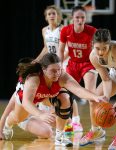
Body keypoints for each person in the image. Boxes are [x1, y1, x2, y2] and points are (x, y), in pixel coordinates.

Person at [1, 53, 105, 147]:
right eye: (53, 71)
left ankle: (59, 136)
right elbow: (26, 102)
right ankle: (8, 124)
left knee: (64, 98)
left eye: (59, 69)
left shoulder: (61, 76)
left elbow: (78, 89)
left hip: (43, 98)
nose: (57, 73)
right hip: (26, 102)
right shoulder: (34, 78)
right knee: (17, 118)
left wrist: (94, 96)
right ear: (44, 69)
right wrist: (40, 114)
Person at [34, 5, 82, 132]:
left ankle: (76, 121)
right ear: (46, 17)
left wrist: (59, 62)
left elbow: (68, 48)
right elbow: (46, 47)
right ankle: (65, 122)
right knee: (55, 94)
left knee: (66, 92)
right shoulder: (44, 30)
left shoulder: (63, 29)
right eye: (49, 14)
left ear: (58, 15)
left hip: (62, 63)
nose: (51, 16)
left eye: (54, 13)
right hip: (49, 64)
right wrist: (37, 60)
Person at [58, 5, 99, 138]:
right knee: (64, 95)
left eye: (82, 17)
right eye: (77, 17)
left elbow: (99, 50)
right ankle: (69, 123)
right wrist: (59, 65)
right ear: (72, 18)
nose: (80, 20)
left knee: (91, 97)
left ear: (86, 18)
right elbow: (61, 50)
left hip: (88, 64)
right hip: (73, 64)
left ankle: (95, 129)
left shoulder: (92, 31)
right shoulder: (65, 31)